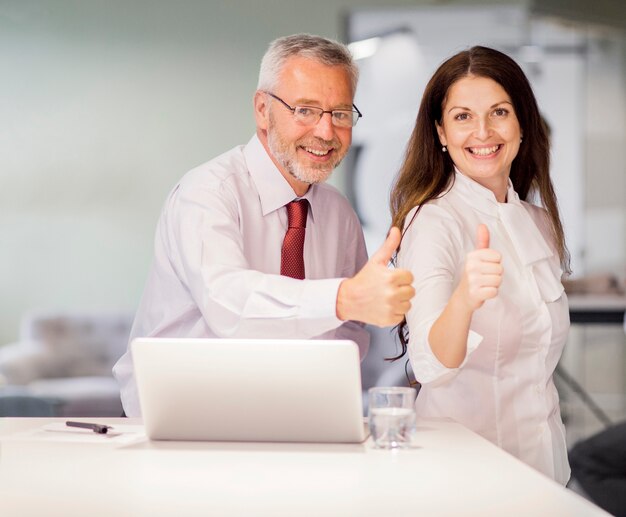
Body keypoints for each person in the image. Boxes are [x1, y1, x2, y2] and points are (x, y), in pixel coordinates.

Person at [114, 34, 415, 417]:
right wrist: (342, 298)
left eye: (339, 113)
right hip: (187, 417)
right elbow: (227, 301)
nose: (326, 132)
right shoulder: (207, 193)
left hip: (292, 418)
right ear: (262, 110)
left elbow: (349, 333)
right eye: (305, 110)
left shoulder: (339, 215)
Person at [389, 46, 571, 484]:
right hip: (466, 479)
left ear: (521, 124)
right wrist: (464, 299)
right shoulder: (432, 221)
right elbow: (431, 365)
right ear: (441, 132)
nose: (483, 131)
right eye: (463, 116)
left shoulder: (539, 223)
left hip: (545, 471)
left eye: (499, 112)